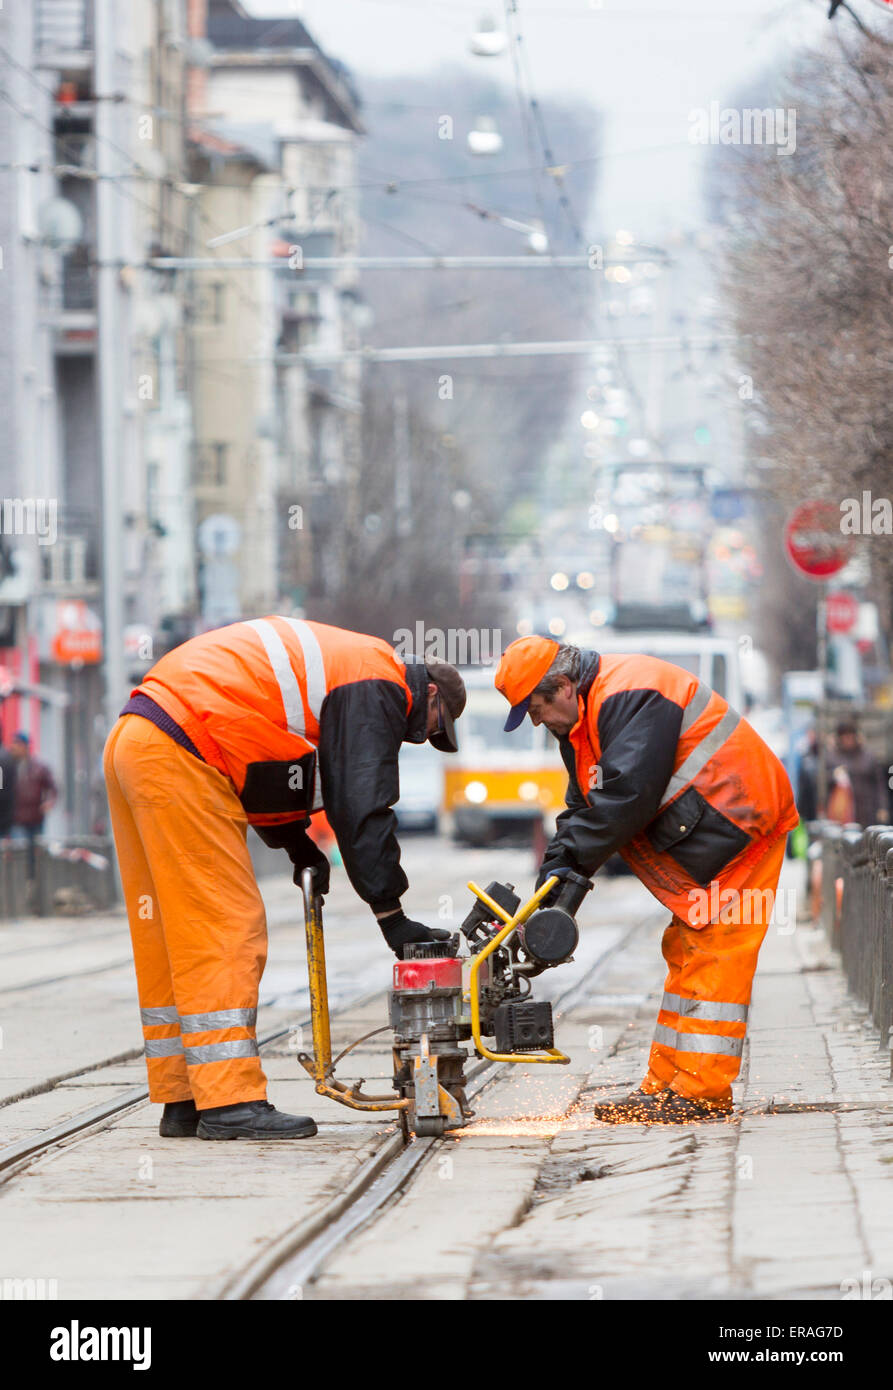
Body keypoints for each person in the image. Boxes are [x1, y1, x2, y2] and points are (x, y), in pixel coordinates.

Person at [103, 618, 465, 1142]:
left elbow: (269, 768)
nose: (426, 736)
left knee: (172, 934)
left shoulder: (347, 663)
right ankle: (230, 1102)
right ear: (429, 692)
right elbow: (361, 805)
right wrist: (392, 915)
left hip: (138, 742)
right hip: (184, 748)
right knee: (226, 926)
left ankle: (184, 1098)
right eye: (436, 724)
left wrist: (297, 845)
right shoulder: (377, 678)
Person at [494, 636, 798, 1124]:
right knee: (685, 948)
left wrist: (568, 864)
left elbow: (626, 800)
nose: (535, 720)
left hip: (742, 819)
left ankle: (700, 1092)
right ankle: (666, 1086)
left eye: (535, 708)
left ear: (565, 687)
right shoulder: (584, 722)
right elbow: (584, 808)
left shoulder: (631, 691)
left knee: (717, 948)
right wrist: (552, 883)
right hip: (721, 825)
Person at [10, 731, 57, 879]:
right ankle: (19, 884)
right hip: (16, 819)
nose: (14, 748)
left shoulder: (39, 768)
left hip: (35, 818)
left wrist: (49, 802)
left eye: (17, 744)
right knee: (18, 854)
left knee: (33, 855)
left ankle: (32, 884)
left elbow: (53, 788)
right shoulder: (8, 767)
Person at [827, 720, 887, 828]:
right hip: (844, 816)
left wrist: (882, 807)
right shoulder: (834, 757)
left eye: (850, 735)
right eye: (844, 736)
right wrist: (834, 775)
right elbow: (825, 785)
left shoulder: (868, 757)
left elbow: (879, 784)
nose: (848, 739)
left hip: (867, 813)